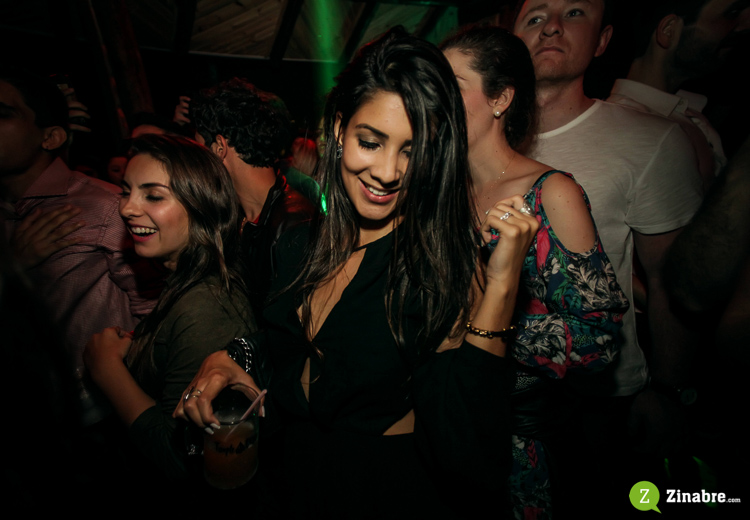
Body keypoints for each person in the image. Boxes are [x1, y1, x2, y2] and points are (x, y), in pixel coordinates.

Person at [175, 27, 539, 518]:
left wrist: (501, 287)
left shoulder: (440, 271)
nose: (388, 172)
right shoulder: (302, 240)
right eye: (371, 142)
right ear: (340, 129)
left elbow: (470, 455)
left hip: (378, 492)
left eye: (412, 150)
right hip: (288, 478)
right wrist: (230, 357)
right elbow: (298, 346)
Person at [512, 0, 704, 513]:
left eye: (574, 13)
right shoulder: (477, 139)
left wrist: (668, 392)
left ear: (602, 41)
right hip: (500, 398)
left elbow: (672, 282)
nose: (552, 27)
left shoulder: (649, 140)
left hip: (600, 404)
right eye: (535, 16)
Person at [441, 26, 628, 519]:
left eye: (451, 85)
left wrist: (480, 327)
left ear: (500, 98)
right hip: (450, 424)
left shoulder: (551, 193)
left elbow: (599, 339)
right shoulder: (441, 193)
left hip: (520, 448)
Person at [83, 134, 256, 483]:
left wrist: (108, 371)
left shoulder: (207, 306)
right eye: (126, 191)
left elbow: (181, 459)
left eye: (153, 195)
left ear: (201, 204)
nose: (127, 208)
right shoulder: (184, 278)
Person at [0, 70, 161, 425]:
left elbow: (156, 311)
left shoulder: (105, 207)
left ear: (51, 136)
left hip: (101, 414)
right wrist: (12, 267)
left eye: (3, 114)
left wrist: (121, 386)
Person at [189, 79, 316, 317]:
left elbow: (287, 329)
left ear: (219, 147)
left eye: (200, 151)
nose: (196, 165)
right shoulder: (235, 217)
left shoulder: (295, 227)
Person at [608, 0, 750, 190]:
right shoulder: (627, 130)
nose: (746, 25)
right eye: (732, 13)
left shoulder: (688, 113)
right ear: (669, 30)